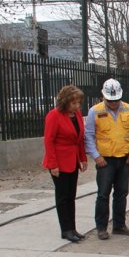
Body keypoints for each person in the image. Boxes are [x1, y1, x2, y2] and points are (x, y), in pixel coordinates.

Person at [84, 78, 129, 240]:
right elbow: (88, 136)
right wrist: (96, 156)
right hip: (105, 160)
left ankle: (119, 225)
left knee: (121, 193)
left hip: (124, 159)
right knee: (103, 194)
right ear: (103, 97)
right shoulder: (94, 111)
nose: (113, 103)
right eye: (110, 100)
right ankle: (101, 227)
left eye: (116, 100)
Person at [43, 85, 88, 243]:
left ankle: (72, 227)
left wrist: (83, 158)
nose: (77, 106)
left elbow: (79, 139)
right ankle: (65, 229)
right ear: (65, 101)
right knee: (62, 197)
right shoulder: (54, 116)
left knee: (71, 196)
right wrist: (53, 164)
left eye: (78, 103)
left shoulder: (76, 115)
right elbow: (49, 141)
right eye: (73, 103)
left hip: (73, 160)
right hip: (59, 162)